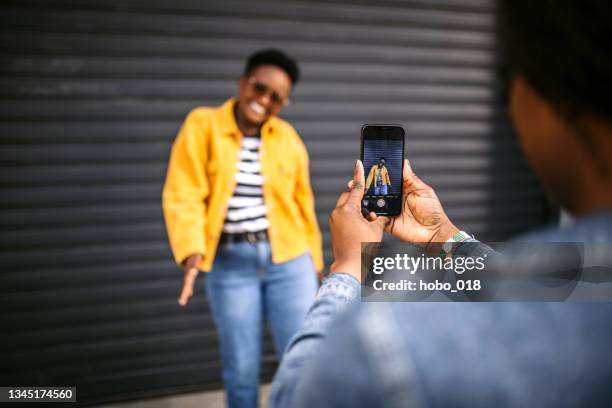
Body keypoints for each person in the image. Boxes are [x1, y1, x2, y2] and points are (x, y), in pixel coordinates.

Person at [270, 1, 612, 406]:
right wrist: (443, 237)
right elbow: (538, 289)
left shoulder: (388, 344)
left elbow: (293, 397)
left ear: (546, 96)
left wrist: (347, 268)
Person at [162, 49, 323, 408]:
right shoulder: (202, 124)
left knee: (302, 362)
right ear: (243, 82)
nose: (264, 100)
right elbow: (183, 191)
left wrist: (316, 263)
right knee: (241, 366)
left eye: (276, 97)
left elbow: (303, 203)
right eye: (259, 88)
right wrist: (191, 249)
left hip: (290, 261)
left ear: (284, 103)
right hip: (230, 263)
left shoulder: (288, 138)